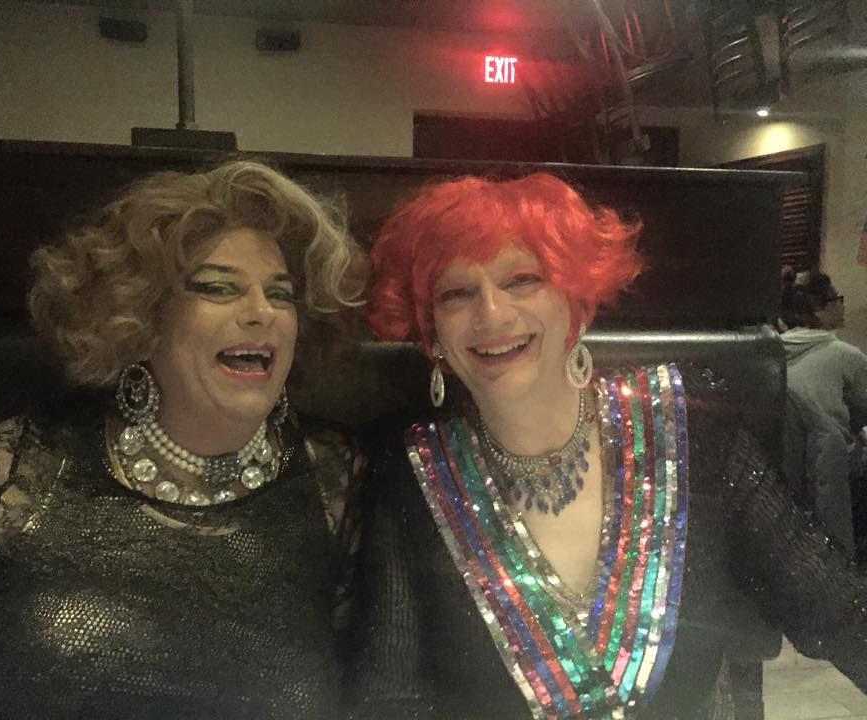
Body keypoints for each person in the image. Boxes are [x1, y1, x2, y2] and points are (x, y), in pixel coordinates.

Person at [349, 173, 867, 720]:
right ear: (432, 331)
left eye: (522, 280)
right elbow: (391, 698)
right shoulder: (415, 472)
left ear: (575, 299)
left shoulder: (691, 431)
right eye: (456, 293)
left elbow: (839, 612)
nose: (492, 314)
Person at [0, 161, 368, 719]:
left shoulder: (335, 479)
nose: (261, 313)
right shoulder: (7, 468)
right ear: (142, 317)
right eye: (217, 288)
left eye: (281, 294)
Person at [780, 270, 867, 557]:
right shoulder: (845, 355)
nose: (842, 304)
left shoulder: (776, 350)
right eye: (837, 299)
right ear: (819, 309)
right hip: (831, 463)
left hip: (791, 463)